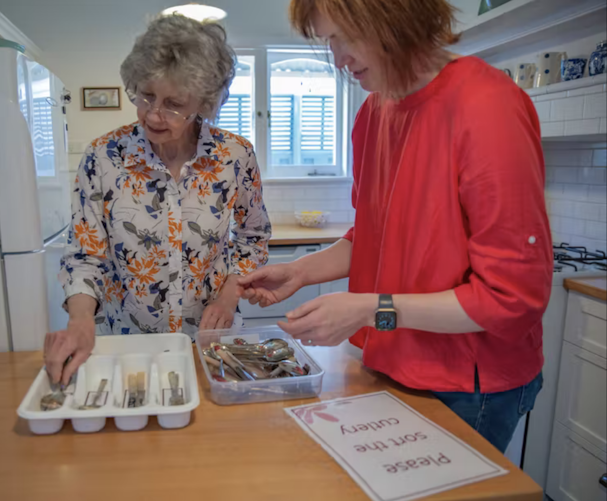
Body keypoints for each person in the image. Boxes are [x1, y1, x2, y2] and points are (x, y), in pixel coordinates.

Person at [239, 0, 552, 452]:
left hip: (468, 383)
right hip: (392, 361)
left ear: (397, 16)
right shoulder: (373, 113)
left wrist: (369, 310)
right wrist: (302, 272)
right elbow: (372, 237)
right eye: (329, 41)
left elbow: (511, 298)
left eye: (345, 37)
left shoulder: (488, 108)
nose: (338, 58)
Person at [46, 15, 270, 385]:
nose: (153, 113)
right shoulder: (103, 157)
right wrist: (80, 320)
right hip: (126, 343)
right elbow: (85, 256)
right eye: (146, 95)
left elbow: (253, 238)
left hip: (212, 341)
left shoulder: (235, 155)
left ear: (205, 101)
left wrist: (228, 297)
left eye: (174, 103)